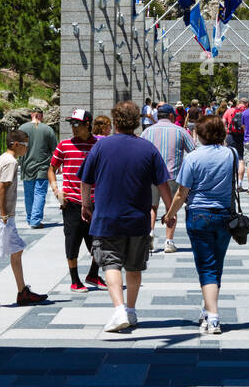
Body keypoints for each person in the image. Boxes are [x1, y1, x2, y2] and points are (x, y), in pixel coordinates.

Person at [78, 100, 172, 333]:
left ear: (116, 120)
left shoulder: (100, 147)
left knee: (110, 262)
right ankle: (130, 309)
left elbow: (86, 180)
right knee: (134, 266)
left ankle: (119, 308)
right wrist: (170, 211)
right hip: (138, 219)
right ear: (137, 121)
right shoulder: (148, 148)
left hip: (107, 217)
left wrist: (86, 203)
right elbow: (162, 184)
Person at [165, 114, 236, 335]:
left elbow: (181, 193)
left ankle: (213, 317)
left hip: (199, 215)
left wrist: (169, 215)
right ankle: (207, 310)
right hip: (224, 215)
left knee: (206, 266)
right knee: (217, 266)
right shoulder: (231, 154)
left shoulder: (193, 158)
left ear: (200, 134)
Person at [0, 129, 48, 309]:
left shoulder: (3, 158)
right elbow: (0, 189)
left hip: (3, 215)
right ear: (16, 144)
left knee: (17, 250)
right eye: (26, 145)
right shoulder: (11, 162)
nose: (27, 148)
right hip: (1, 216)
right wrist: (3, 213)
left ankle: (22, 292)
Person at [48, 107, 106, 292]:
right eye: (71, 124)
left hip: (96, 202)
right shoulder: (64, 145)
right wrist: (57, 190)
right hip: (72, 202)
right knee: (72, 242)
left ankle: (93, 274)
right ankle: (75, 280)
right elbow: (51, 168)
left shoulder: (99, 145)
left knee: (100, 242)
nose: (73, 127)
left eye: (76, 124)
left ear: (87, 124)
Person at [144, 101, 196, 252]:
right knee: (171, 208)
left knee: (151, 207)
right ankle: (168, 242)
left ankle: (150, 234)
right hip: (173, 174)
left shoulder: (147, 132)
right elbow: (193, 150)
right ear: (172, 115)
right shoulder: (180, 131)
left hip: (151, 175)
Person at [19, 107, 58, 228]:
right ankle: (35, 220)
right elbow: (55, 150)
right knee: (40, 193)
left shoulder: (22, 129)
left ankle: (30, 218)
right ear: (41, 116)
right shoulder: (48, 129)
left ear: (32, 115)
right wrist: (57, 167)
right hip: (43, 167)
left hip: (26, 166)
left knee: (29, 194)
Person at [224, 99, 246, 184]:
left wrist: (225, 133)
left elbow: (223, 121)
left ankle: (229, 181)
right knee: (241, 159)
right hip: (242, 136)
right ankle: (239, 183)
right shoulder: (246, 112)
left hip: (231, 135)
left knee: (230, 158)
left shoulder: (229, 111)